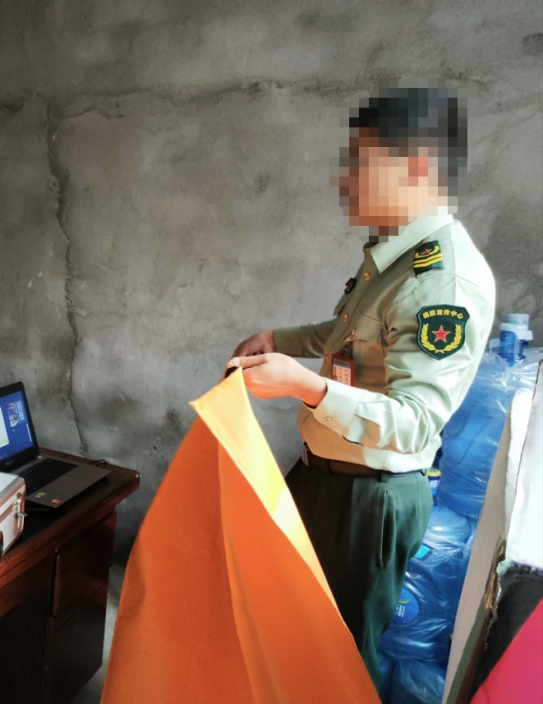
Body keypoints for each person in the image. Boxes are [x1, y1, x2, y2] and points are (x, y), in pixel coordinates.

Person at [227, 86, 495, 685]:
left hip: (368, 501)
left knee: (339, 661)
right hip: (328, 479)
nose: (345, 181)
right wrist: (279, 337)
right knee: (296, 630)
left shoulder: (443, 281)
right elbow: (352, 337)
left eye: (360, 165)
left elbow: (414, 421)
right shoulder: (397, 256)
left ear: (417, 169)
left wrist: (308, 388)